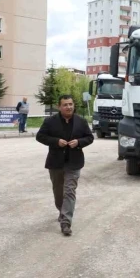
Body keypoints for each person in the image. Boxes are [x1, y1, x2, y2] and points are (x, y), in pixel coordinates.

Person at [36, 95, 94, 236]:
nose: (68, 107)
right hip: (56, 162)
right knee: (58, 192)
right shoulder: (50, 121)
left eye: (70, 104)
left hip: (74, 163)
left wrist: (79, 142)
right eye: (65, 105)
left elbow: (89, 137)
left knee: (69, 191)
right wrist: (56, 141)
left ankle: (66, 222)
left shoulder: (81, 121)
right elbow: (40, 136)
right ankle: (62, 211)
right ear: (59, 106)